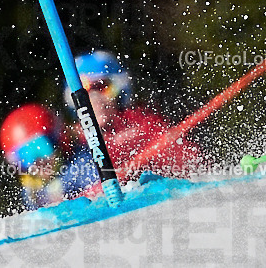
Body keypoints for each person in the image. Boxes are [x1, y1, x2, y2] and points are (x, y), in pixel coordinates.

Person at [63, 51, 202, 180]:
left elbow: (192, 161)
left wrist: (137, 144)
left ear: (120, 89)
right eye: (84, 92)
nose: (94, 97)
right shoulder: (71, 143)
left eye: (102, 87)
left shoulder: (142, 124)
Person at [0, 103, 94, 209]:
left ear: (58, 140)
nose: (37, 160)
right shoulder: (32, 193)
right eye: (25, 156)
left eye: (42, 147)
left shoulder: (83, 165)